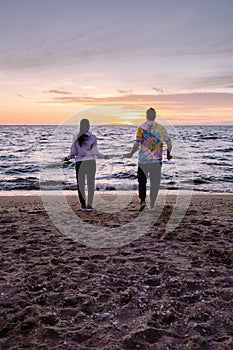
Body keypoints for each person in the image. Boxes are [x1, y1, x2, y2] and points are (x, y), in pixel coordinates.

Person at [124, 107, 172, 211]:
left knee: (142, 181)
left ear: (146, 116)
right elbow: (169, 142)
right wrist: (168, 154)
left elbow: (137, 144)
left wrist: (131, 154)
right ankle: (152, 204)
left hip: (143, 161)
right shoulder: (162, 128)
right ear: (155, 116)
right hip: (156, 161)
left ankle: (142, 202)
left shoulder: (141, 128)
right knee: (155, 183)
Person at [62, 119, 110, 211]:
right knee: (91, 184)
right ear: (88, 126)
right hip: (91, 162)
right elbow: (95, 152)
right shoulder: (93, 137)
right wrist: (104, 156)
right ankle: (89, 205)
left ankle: (83, 205)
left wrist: (67, 158)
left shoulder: (76, 136)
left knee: (80, 184)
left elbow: (73, 152)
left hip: (79, 162)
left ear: (80, 126)